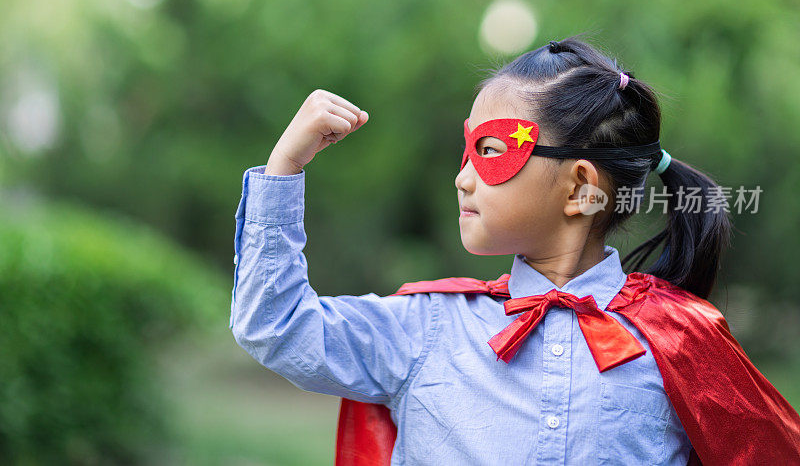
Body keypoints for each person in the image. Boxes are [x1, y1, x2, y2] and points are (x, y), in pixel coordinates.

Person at [229, 35, 800, 465]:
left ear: (580, 188)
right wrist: (284, 170)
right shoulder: (424, 329)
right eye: (466, 149)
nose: (462, 178)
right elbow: (275, 326)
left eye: (492, 150)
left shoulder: (682, 340)